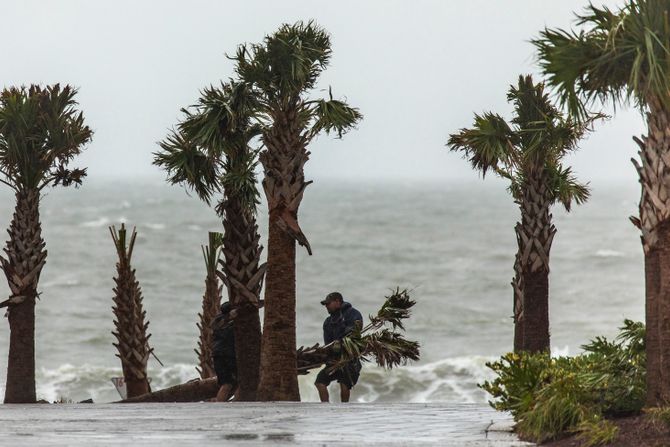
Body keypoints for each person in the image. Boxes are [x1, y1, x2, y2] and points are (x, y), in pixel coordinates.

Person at [314, 292, 363, 403]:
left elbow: (354, 333)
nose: (326, 306)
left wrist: (341, 343)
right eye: (325, 304)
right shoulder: (327, 322)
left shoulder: (353, 314)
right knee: (319, 382)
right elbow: (328, 342)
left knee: (344, 384)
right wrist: (326, 353)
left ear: (337, 301)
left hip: (349, 358)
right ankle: (325, 407)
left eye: (328, 303)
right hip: (334, 360)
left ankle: (344, 409)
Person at [211, 301, 237, 402]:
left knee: (226, 384)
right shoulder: (230, 326)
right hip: (226, 356)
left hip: (218, 355)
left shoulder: (218, 323)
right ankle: (220, 404)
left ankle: (220, 402)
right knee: (228, 384)